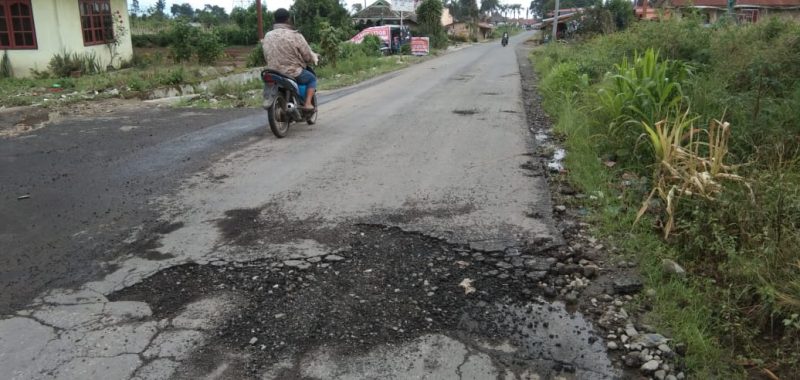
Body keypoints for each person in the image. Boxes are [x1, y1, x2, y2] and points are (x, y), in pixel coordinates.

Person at [262, 8, 319, 111]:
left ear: (275, 20)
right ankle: (307, 104)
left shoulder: (267, 35)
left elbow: (266, 54)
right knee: (311, 79)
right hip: (292, 72)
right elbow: (307, 55)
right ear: (288, 19)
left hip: (272, 72)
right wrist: (312, 58)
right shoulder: (295, 35)